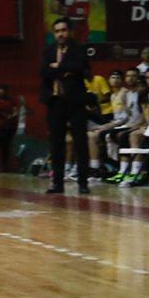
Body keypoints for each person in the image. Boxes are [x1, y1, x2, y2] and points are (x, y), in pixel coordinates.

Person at [41, 17, 91, 194]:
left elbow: (79, 67)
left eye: (63, 30)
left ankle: (83, 183)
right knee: (56, 144)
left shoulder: (79, 49)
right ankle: (57, 183)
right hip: (55, 101)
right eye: (57, 31)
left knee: (80, 143)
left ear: (69, 32)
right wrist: (64, 70)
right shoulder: (48, 50)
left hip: (75, 102)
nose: (60, 34)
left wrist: (58, 67)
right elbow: (43, 71)